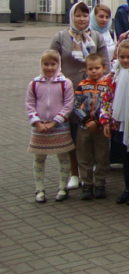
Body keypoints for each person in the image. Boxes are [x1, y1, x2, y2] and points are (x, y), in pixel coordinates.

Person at [50, 1, 110, 190]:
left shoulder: (96, 37)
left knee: (91, 134)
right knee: (72, 134)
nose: (82, 19)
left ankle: (90, 174)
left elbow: (106, 64)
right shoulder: (61, 37)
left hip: (92, 95)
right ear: (72, 17)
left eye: (85, 15)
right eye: (78, 15)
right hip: (68, 93)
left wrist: (101, 86)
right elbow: (52, 61)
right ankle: (74, 173)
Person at [26, 50, 75, 203]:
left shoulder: (65, 83)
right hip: (39, 127)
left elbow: (68, 105)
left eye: (53, 64)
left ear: (58, 64)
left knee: (63, 156)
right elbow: (29, 104)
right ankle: (39, 189)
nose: (49, 68)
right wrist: (37, 122)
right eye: (46, 64)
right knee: (39, 158)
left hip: (59, 126)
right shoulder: (34, 83)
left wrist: (55, 121)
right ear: (41, 65)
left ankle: (62, 187)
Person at [100, 40, 129, 206]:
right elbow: (106, 100)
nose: (125, 60)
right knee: (125, 157)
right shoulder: (113, 76)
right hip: (118, 123)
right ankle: (127, 188)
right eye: (122, 57)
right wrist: (105, 121)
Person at [73, 53, 112, 200]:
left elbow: (108, 104)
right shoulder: (82, 86)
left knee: (102, 155)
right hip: (84, 128)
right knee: (84, 155)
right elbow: (75, 105)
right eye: (91, 68)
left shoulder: (107, 85)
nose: (94, 71)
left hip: (101, 127)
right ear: (86, 70)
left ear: (104, 68)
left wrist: (97, 121)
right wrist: (85, 120)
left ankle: (100, 183)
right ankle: (87, 183)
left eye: (97, 68)